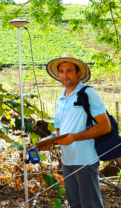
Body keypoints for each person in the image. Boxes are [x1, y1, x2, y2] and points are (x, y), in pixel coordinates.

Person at [42, 53, 111, 208]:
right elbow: (58, 130)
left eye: (69, 71)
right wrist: (49, 140)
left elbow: (105, 126)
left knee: (90, 205)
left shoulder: (88, 93)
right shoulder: (60, 99)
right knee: (75, 204)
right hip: (67, 161)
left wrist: (75, 137)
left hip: (85, 160)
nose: (65, 75)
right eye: (61, 71)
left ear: (78, 73)